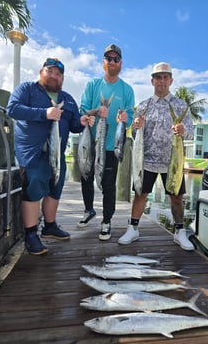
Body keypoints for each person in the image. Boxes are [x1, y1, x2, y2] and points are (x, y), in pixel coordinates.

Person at [7, 58, 95, 255]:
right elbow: (13, 109)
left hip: (57, 153)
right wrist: (44, 113)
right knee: (33, 189)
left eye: (58, 74)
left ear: (62, 78)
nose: (54, 76)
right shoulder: (27, 89)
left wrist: (82, 121)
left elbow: (73, 126)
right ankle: (30, 234)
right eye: (50, 71)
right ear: (41, 72)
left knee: (55, 188)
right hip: (32, 153)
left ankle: (50, 226)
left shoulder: (68, 99)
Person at [118, 62, 195, 251]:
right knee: (140, 194)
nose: (161, 81)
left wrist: (184, 130)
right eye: (158, 77)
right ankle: (133, 228)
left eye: (165, 77)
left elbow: (191, 134)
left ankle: (179, 232)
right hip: (147, 160)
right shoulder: (144, 106)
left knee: (177, 197)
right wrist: (136, 127)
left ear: (171, 80)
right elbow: (136, 138)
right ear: (152, 81)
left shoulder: (180, 105)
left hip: (172, 162)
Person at [77, 44, 135, 241]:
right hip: (90, 143)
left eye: (115, 59)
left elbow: (132, 115)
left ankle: (106, 221)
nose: (112, 62)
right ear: (103, 62)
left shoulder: (127, 90)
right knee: (86, 178)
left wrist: (126, 118)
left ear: (121, 63)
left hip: (111, 146)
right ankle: (88, 210)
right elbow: (83, 110)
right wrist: (96, 112)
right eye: (108, 58)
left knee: (108, 185)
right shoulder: (92, 85)